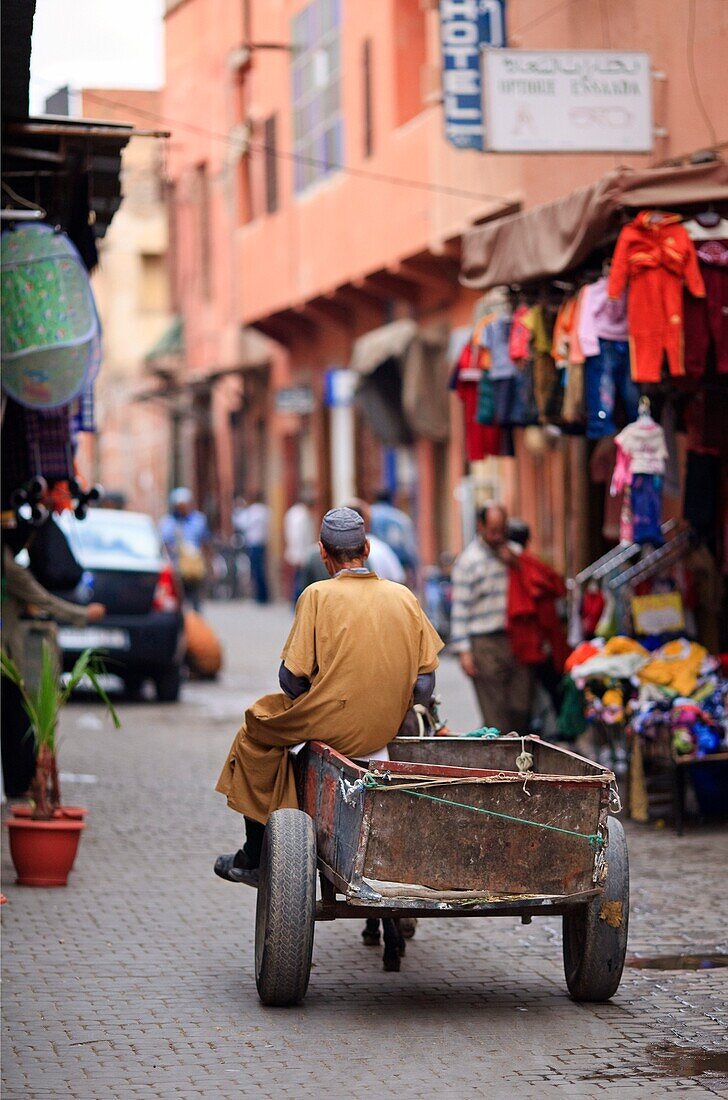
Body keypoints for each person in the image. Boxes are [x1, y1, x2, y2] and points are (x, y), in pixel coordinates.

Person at [214, 507, 443, 885]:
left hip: (333, 724)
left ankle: (254, 854)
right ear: (366, 548)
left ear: (323, 552)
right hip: (386, 726)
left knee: (255, 729)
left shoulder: (317, 594)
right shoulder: (403, 596)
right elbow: (425, 685)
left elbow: (290, 679)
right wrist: (389, 699)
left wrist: (325, 693)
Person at [1, 514, 106, 797]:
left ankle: (18, 782)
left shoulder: (7, 560)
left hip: (7, 654)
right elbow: (42, 599)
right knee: (17, 718)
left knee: (14, 717)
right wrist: (84, 614)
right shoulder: (9, 566)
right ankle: (19, 783)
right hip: (6, 656)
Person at [450, 503, 533, 734]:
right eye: (492, 530)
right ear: (481, 526)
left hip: (516, 640)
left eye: (501, 529)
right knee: (495, 714)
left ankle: (522, 761)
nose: (497, 535)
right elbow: (460, 609)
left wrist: (515, 563)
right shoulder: (469, 562)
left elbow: (535, 583)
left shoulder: (514, 554)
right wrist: (464, 652)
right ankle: (502, 768)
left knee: (521, 707)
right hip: (484, 643)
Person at [159, 488, 211, 611]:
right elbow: (164, 544)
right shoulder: (168, 523)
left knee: (196, 602)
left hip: (194, 568)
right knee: (178, 604)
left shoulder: (198, 521)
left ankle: (196, 625)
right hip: (176, 568)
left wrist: (209, 564)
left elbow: (205, 543)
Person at [369, 490, 418, 579]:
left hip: (374, 559)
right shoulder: (399, 517)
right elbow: (409, 546)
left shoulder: (370, 513)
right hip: (398, 561)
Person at [236, 492, 271, 604]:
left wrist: (240, 509)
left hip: (253, 544)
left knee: (256, 570)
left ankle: (259, 596)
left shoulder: (250, 512)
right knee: (261, 570)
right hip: (262, 543)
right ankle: (264, 595)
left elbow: (240, 523)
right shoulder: (266, 511)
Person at [283, 494, 315, 605]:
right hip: (301, 553)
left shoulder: (294, 513)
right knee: (300, 580)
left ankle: (297, 602)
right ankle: (297, 602)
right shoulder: (301, 516)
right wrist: (300, 555)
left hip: (298, 552)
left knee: (298, 578)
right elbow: (298, 537)